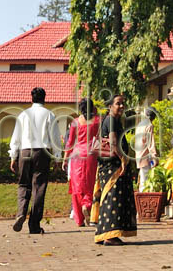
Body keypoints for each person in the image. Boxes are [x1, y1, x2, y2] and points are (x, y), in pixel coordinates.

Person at [8, 86, 62, 235]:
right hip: (42, 153)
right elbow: (55, 138)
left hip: (25, 151)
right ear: (44, 98)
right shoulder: (49, 115)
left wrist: (13, 157)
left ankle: (21, 213)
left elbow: (16, 137)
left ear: (31, 98)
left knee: (23, 184)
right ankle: (34, 225)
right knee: (39, 187)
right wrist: (58, 157)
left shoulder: (23, 115)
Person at [93, 92, 137, 246]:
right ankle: (110, 236)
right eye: (118, 103)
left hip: (109, 164)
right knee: (113, 197)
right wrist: (123, 159)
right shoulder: (111, 120)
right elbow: (113, 142)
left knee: (109, 197)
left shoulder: (111, 119)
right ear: (110, 106)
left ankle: (103, 234)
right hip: (113, 165)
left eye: (123, 103)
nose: (122, 106)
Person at [62, 98, 99, 228]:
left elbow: (70, 142)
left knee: (77, 187)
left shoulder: (75, 122)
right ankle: (87, 205)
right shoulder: (98, 121)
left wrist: (65, 159)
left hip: (77, 156)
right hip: (91, 155)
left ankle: (79, 220)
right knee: (90, 183)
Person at [134, 106, 158, 190]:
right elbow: (150, 143)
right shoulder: (149, 125)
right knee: (146, 180)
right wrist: (154, 157)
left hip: (139, 155)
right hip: (146, 156)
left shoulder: (140, 124)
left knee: (143, 178)